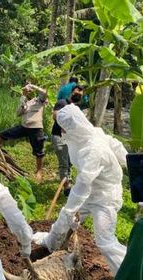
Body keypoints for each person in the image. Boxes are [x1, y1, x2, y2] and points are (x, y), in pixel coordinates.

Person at [33, 104, 128, 276]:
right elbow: (118, 147)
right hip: (92, 190)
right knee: (65, 215)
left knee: (105, 241)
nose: (61, 130)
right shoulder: (91, 134)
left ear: (72, 126)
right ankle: (49, 243)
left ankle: (128, 270)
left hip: (105, 197)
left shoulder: (92, 150)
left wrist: (71, 210)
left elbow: (82, 185)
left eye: (62, 126)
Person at [0, 83, 48, 182]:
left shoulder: (39, 100)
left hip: (36, 128)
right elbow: (18, 113)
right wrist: (23, 97)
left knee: (39, 151)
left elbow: (44, 92)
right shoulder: (25, 102)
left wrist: (33, 86)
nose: (28, 92)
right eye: (26, 91)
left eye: (29, 91)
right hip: (24, 127)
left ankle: (39, 171)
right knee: (3, 134)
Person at [51, 85, 86, 196]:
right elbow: (55, 116)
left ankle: (67, 182)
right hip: (59, 136)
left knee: (70, 162)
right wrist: (64, 126)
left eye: (80, 95)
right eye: (76, 93)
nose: (78, 95)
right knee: (64, 163)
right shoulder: (62, 103)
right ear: (71, 93)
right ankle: (67, 188)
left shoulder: (76, 108)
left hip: (70, 139)